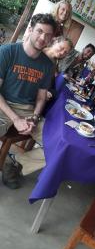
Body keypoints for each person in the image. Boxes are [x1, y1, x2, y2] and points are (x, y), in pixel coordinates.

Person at [0, 13, 57, 189]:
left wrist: (34, 117)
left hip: (27, 109)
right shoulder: (8, 52)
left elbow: (41, 97)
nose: (43, 38)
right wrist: (15, 119)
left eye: (48, 35)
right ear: (30, 30)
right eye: (39, 31)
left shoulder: (48, 65)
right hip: (3, 104)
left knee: (58, 146)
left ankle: (15, 163)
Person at [43, 36, 73, 100]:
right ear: (55, 42)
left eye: (65, 52)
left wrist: (50, 93)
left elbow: (50, 83)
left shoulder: (55, 61)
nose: (62, 53)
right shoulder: (39, 54)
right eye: (61, 48)